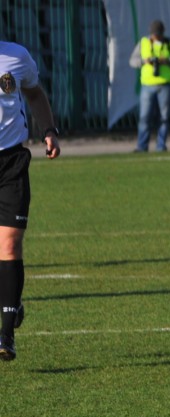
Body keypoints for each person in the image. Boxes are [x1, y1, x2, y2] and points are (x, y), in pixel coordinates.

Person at [0, 39, 61, 361]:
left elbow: (34, 93)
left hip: (11, 163)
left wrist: (48, 129)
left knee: (9, 244)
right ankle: (13, 301)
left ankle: (5, 335)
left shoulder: (17, 56)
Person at [129, 20, 170, 153]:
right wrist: (144, 61)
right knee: (144, 117)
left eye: (158, 34)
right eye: (154, 34)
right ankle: (142, 145)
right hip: (148, 84)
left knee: (163, 117)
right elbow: (132, 61)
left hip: (165, 84)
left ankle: (161, 145)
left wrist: (167, 61)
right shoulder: (144, 43)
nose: (156, 37)